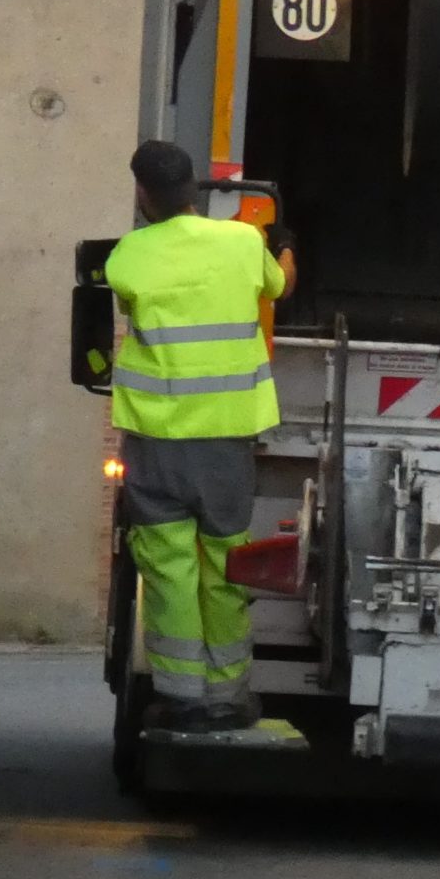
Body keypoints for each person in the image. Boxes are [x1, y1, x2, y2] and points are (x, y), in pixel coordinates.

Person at [105, 140, 289, 734]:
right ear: (194, 187)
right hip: (225, 444)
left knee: (168, 571)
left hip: (155, 445)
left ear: (142, 193)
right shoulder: (242, 242)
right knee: (226, 565)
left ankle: (182, 698)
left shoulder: (128, 258)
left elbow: (137, 299)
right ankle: (229, 698)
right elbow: (278, 288)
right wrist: (286, 249)